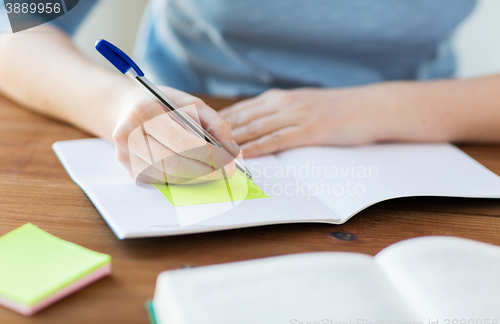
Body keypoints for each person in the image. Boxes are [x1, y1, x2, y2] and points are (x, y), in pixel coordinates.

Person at [1, 0, 499, 183]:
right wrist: (118, 102)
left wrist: (379, 107)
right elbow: (13, 26)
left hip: (425, 139)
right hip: (190, 126)